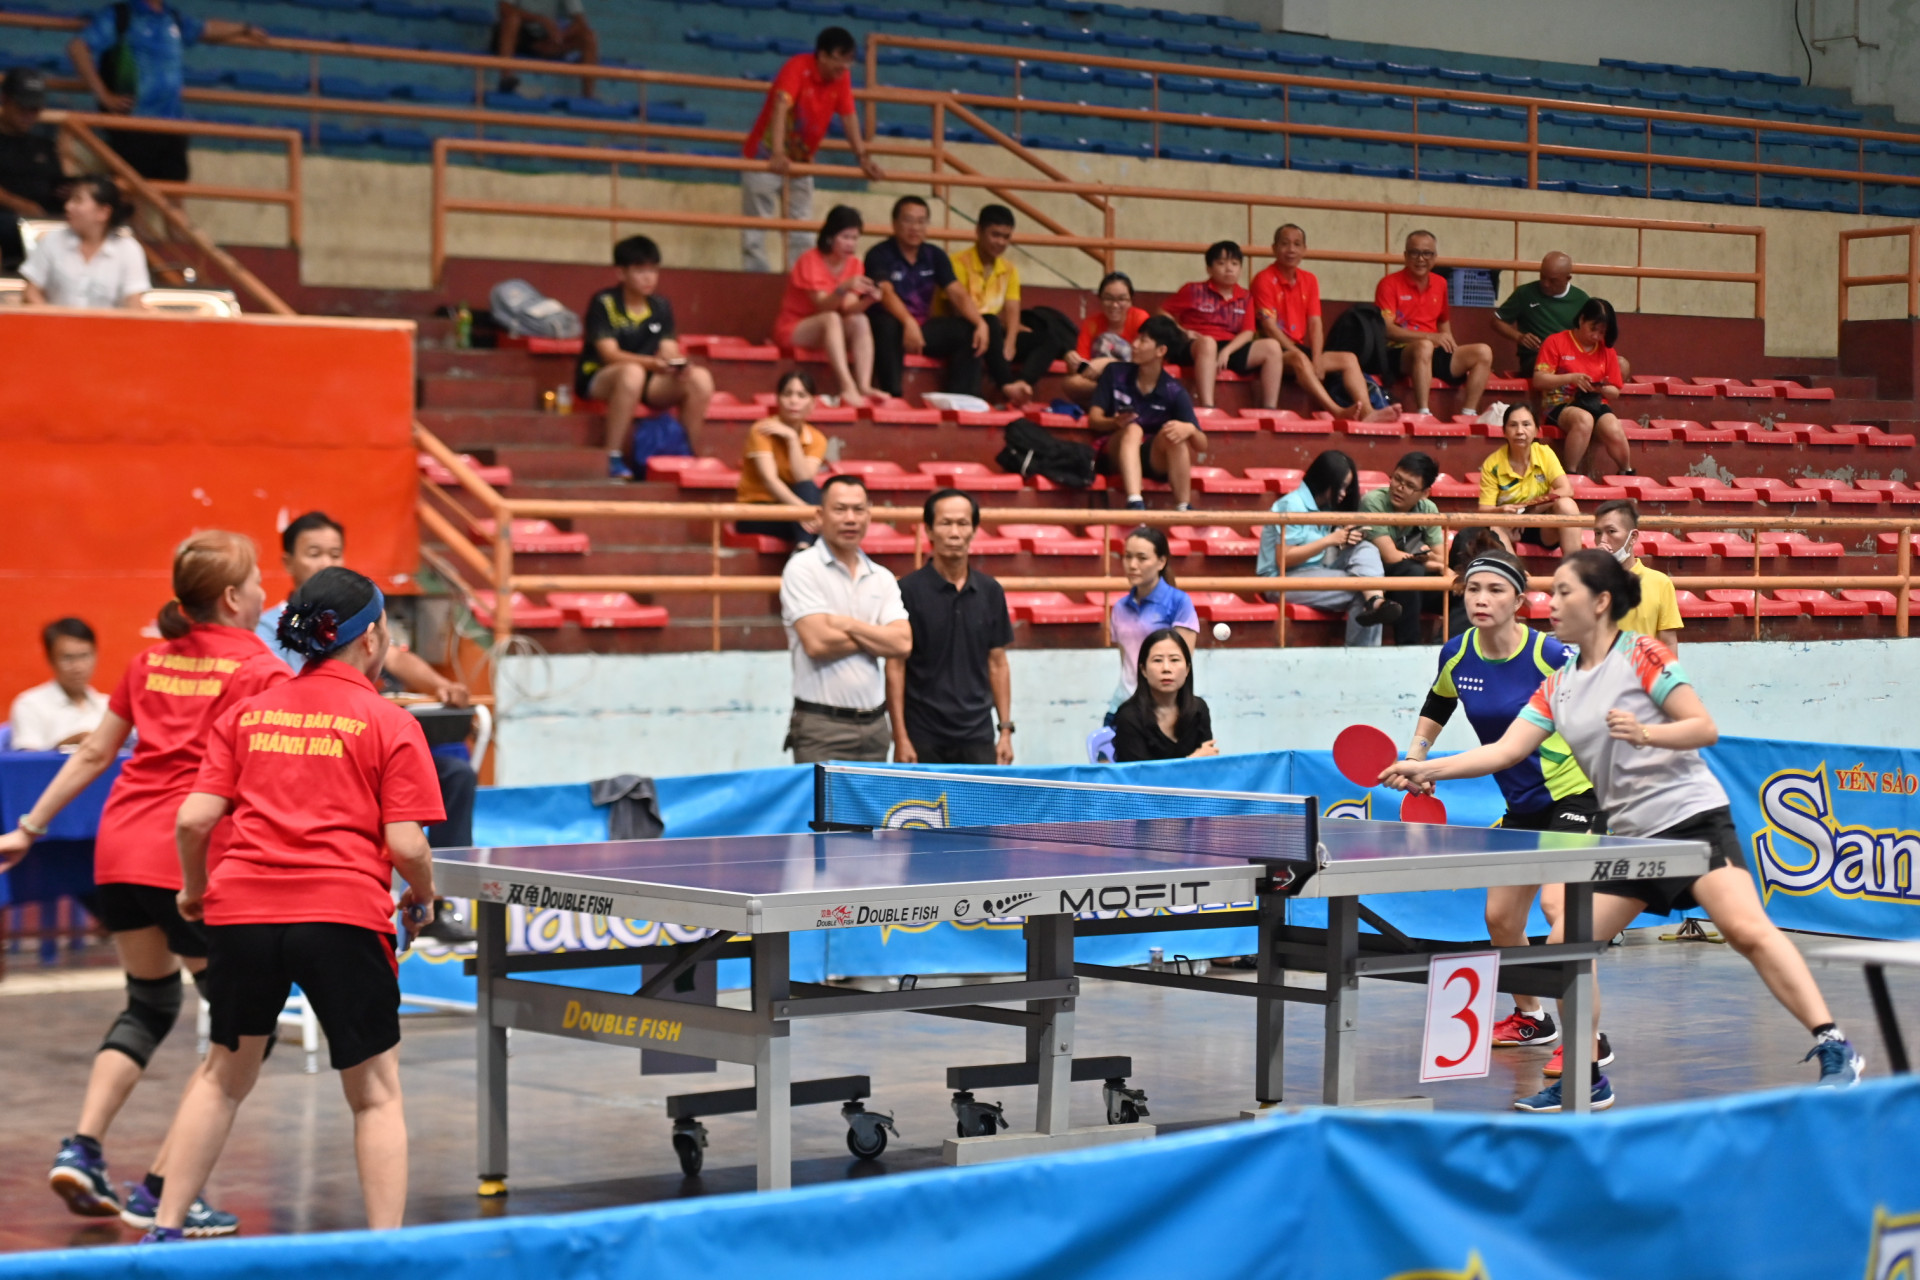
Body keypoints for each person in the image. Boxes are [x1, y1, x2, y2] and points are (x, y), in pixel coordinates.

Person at [1383, 550, 1866, 1111]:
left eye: (1565, 593)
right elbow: (1504, 751)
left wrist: (1645, 733)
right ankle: (1586, 1075)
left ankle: (1834, 1046)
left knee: (1746, 931)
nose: (1553, 603)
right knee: (1566, 944)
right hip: (1629, 838)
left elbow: (1703, 727)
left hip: (1688, 822)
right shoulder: (1555, 686)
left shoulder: (1642, 654)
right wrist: (1425, 766)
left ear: (1601, 602)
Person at [143, 567, 443, 1242]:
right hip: (341, 916)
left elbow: (193, 820)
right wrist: (421, 898)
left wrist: (195, 890)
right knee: (375, 1094)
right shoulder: (390, 721)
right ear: (372, 640)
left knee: (224, 1075)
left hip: (243, 914)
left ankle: (162, 1232)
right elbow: (407, 846)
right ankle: (383, 1253)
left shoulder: (248, 712)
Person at [0, 531, 287, 1236]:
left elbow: (97, 751)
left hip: (121, 854)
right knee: (243, 1032)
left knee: (151, 1002)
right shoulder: (260, 666)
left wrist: (28, 828)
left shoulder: (150, 661)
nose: (264, 593)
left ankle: (83, 1146)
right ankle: (165, 1188)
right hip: (189, 862)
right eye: (256, 581)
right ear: (230, 596)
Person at [1402, 549, 1602, 1053]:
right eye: (1473, 589)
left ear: (1519, 599)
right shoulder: (1457, 652)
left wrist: (1427, 769)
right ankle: (1532, 1017)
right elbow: (1438, 703)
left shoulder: (1549, 655)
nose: (1482, 599)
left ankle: (1588, 1041)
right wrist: (1415, 753)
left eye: (1495, 590)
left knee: (1561, 909)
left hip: (1574, 793)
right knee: (1502, 917)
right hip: (1523, 800)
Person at [256, 512, 475, 948]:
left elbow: (398, 660)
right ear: (289, 561)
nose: (324, 562)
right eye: (313, 553)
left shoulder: (357, 614)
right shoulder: (272, 627)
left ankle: (438, 903)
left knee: (454, 774)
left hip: (363, 744)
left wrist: (440, 685)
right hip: (309, 752)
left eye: (334, 554)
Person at [779, 475, 911, 762]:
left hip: (876, 726)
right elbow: (818, 643)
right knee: (819, 808)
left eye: (858, 509)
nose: (850, 518)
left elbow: (902, 643)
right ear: (819, 515)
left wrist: (848, 625)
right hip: (821, 727)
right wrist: (878, 637)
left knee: (870, 810)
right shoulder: (802, 569)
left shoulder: (882, 577)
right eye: (840, 509)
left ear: (869, 515)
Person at [68, 0, 266, 182]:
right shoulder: (120, 15)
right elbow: (78, 47)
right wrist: (103, 95)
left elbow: (206, 28)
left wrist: (244, 28)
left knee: (175, 195)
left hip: (171, 124)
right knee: (131, 196)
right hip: (134, 124)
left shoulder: (172, 17)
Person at [740, 27, 883, 273]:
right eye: (840, 59)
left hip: (803, 161)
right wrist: (776, 153)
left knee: (802, 226)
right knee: (756, 223)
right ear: (822, 55)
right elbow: (780, 108)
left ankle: (801, 277)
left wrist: (862, 157)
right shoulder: (797, 67)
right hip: (765, 157)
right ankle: (755, 275)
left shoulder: (842, 78)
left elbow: (849, 116)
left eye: (849, 61)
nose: (845, 68)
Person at [888, 488, 1014, 766]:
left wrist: (1005, 731)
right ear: (929, 531)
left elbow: (998, 664)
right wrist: (901, 737)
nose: (954, 533)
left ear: (974, 530)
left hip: (978, 736)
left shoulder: (991, 591)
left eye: (963, 523)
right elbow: (895, 667)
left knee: (976, 810)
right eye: (945, 523)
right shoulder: (905, 591)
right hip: (922, 736)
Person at [576, 234, 715, 480]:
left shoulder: (661, 306)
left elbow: (668, 346)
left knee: (700, 378)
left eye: (653, 270)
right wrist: (652, 363)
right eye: (640, 270)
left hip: (648, 379)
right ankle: (613, 455)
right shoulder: (604, 303)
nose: (649, 277)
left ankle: (687, 453)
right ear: (621, 273)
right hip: (600, 377)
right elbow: (609, 354)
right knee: (632, 372)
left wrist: (675, 363)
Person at [1250, 223, 1399, 422]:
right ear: (1274, 248)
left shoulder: (1309, 280)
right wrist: (1296, 351)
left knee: (1348, 359)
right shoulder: (1264, 279)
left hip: (1299, 349)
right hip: (1274, 352)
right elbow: (1269, 327)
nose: (1291, 249)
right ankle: (1336, 411)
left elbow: (1315, 324)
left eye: (1297, 244)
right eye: (1285, 244)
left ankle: (1368, 412)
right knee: (1299, 359)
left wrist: (1318, 359)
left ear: (1304, 250)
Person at [1256, 449, 1401, 646]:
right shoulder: (1293, 504)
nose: (1343, 494)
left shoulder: (1324, 506)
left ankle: (1375, 600)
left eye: (1346, 488)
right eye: (1340, 487)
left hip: (1317, 570)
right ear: (1324, 481)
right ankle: (1362, 659)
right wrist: (1330, 540)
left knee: (1366, 549)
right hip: (1280, 579)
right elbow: (1284, 559)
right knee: (1359, 588)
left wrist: (1345, 539)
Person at [942, 205, 1072, 406]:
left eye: (1006, 237)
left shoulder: (1009, 270)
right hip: (967, 329)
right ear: (978, 231)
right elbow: (957, 308)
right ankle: (1006, 385)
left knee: (1050, 340)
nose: (1000, 242)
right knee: (990, 321)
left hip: (994, 333)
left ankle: (1022, 384)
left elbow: (1012, 308)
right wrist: (991, 327)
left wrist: (1010, 340)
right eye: (995, 235)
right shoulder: (957, 262)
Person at [864, 195, 989, 399]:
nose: (915, 227)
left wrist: (980, 322)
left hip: (921, 328)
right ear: (895, 224)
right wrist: (907, 322)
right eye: (908, 220)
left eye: (921, 221)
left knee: (967, 331)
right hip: (890, 324)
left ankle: (961, 398)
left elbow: (956, 290)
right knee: (886, 325)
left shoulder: (935, 255)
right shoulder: (879, 254)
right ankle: (892, 395)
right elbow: (885, 293)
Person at [1086, 315, 1207, 512]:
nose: (1134, 344)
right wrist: (1115, 422)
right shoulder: (1115, 372)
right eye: (1137, 338)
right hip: (1115, 450)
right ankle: (1135, 502)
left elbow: (1202, 445)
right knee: (1133, 429)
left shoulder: (1173, 391)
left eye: (1143, 340)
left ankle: (1184, 507)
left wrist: (1190, 429)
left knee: (1174, 436)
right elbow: (1094, 419)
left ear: (1161, 351)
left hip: (1151, 457)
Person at [1374, 229, 1493, 416]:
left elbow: (1443, 323)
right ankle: (1423, 411)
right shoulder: (1388, 284)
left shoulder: (1441, 283)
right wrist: (1429, 337)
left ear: (1435, 257)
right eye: (1415, 252)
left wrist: (1451, 345)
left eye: (1427, 253)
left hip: (1433, 350)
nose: (1421, 259)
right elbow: (1386, 329)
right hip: (1400, 352)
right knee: (1424, 346)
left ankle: (1468, 414)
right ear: (1405, 256)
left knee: (1483, 352)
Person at [773, 204, 880, 408]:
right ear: (830, 237)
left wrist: (868, 300)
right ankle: (847, 385)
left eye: (855, 238)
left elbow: (849, 308)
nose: (851, 244)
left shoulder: (855, 264)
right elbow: (823, 306)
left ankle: (864, 385)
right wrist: (843, 287)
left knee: (860, 320)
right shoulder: (810, 260)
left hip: (832, 328)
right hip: (795, 326)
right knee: (831, 318)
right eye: (846, 237)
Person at [1159, 239, 1285, 410]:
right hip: (1195, 344)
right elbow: (1162, 311)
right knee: (1208, 343)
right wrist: (1183, 332)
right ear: (1209, 268)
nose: (1229, 268)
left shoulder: (1246, 297)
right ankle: (1208, 406)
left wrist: (1227, 350)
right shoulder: (1193, 290)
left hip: (1228, 347)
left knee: (1272, 347)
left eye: (1234, 263)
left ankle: (1269, 409)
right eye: (1221, 263)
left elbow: (1248, 332)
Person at [1534, 297, 1632, 477]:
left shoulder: (1607, 351)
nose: (1596, 336)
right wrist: (1571, 378)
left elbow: (1615, 391)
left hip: (1594, 401)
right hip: (1560, 403)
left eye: (1602, 332)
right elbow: (1539, 380)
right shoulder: (1555, 342)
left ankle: (1626, 471)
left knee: (1613, 425)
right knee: (1584, 420)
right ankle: (1570, 473)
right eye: (1592, 329)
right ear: (1581, 320)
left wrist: (1600, 388)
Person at [1106, 526, 1198, 716]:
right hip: (1123, 705)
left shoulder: (1179, 603)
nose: (1132, 565)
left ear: (1161, 561)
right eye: (1127, 556)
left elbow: (1180, 665)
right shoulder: (1119, 608)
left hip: (1161, 711)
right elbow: (1127, 663)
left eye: (1142, 558)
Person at [20, 175, 149, 308]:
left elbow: (133, 303)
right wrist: (55, 323)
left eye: (78, 200)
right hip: (54, 326)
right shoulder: (52, 240)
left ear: (103, 212)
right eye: (70, 199)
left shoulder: (129, 249)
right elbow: (31, 293)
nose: (68, 206)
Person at [736, 370, 829, 549]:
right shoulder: (761, 430)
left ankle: (802, 548)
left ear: (813, 403)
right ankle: (804, 551)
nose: (794, 400)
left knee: (809, 489)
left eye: (801, 395)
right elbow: (770, 480)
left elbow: (804, 478)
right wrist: (806, 511)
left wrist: (792, 439)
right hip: (757, 510)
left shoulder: (817, 439)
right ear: (777, 399)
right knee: (822, 526)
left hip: (793, 510)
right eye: (787, 394)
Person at [1359, 452, 1445, 647]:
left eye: (1410, 486)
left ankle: (1446, 649)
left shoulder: (1428, 509)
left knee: (1462, 589)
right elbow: (1390, 556)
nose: (1400, 488)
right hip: (1379, 580)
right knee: (1411, 571)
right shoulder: (1373, 502)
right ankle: (1409, 647)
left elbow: (1442, 559)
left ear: (1425, 493)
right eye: (1397, 479)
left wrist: (1431, 561)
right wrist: (1431, 563)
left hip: (1414, 583)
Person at [1479, 403, 1581, 556]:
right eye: (1513, 425)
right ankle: (1518, 575)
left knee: (1567, 504)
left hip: (1541, 525)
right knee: (1493, 526)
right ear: (1504, 432)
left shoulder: (1545, 453)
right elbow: (1484, 511)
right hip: (1508, 526)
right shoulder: (1492, 464)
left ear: (1537, 431)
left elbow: (1566, 490)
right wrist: (1502, 511)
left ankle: (1575, 570)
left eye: (1526, 424)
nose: (1520, 431)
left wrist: (1527, 508)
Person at [1111, 628, 1217, 762]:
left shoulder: (1198, 709)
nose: (1166, 668)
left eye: (1174, 660)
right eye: (1157, 660)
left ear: (1187, 669)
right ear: (1143, 669)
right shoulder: (1128, 717)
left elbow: (1208, 764)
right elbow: (1138, 778)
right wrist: (1191, 760)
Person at [0, 69, 66, 273]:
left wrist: (71, 191)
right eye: (23, 106)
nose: (29, 114)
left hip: (45, 217)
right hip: (8, 218)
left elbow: (58, 183)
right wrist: (20, 205)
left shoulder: (44, 145)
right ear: (4, 100)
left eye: (35, 108)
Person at [10, 618, 110, 751]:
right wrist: (64, 747)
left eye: (85, 656)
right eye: (68, 658)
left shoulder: (109, 706)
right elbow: (25, 765)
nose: (78, 667)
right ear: (51, 659)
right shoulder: (30, 705)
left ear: (96, 655)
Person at [1593, 499, 1681, 651]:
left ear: (1632, 537)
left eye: (1611, 531)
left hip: (1644, 672)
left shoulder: (1660, 582)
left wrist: (1670, 675)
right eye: (1598, 533)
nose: (1603, 540)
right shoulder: (1589, 582)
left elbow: (1668, 642)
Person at [1062, 270, 1149, 404]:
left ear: (1131, 300)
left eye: (1121, 299)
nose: (1115, 305)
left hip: (1133, 377)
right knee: (1071, 383)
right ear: (1100, 300)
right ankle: (1113, 397)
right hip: (1101, 380)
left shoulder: (1140, 319)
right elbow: (1082, 367)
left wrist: (1108, 363)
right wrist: (1072, 360)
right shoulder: (1091, 323)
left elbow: (1145, 361)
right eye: (1108, 298)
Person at [493, 0, 597, 98]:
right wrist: (541, 19)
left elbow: (580, 22)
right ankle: (506, 78)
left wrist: (559, 37)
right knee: (512, 20)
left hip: (543, 38)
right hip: (517, 35)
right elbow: (505, 9)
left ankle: (588, 96)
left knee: (588, 37)